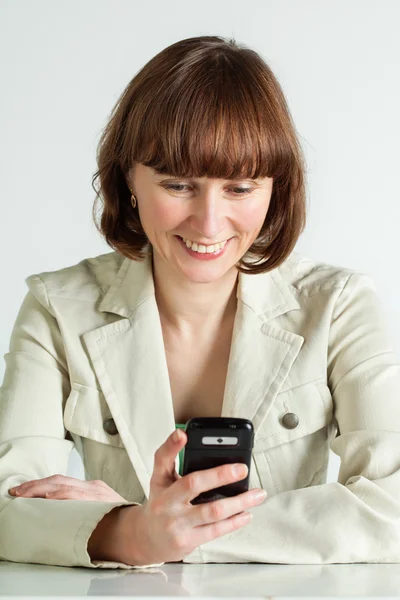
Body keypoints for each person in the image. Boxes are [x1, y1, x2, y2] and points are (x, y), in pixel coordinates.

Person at [1, 35, 400, 570]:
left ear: (274, 189)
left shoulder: (338, 306)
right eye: (178, 185)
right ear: (130, 180)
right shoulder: (58, 307)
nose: (209, 223)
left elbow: (393, 507)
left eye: (239, 188)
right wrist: (135, 530)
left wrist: (147, 532)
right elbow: (8, 505)